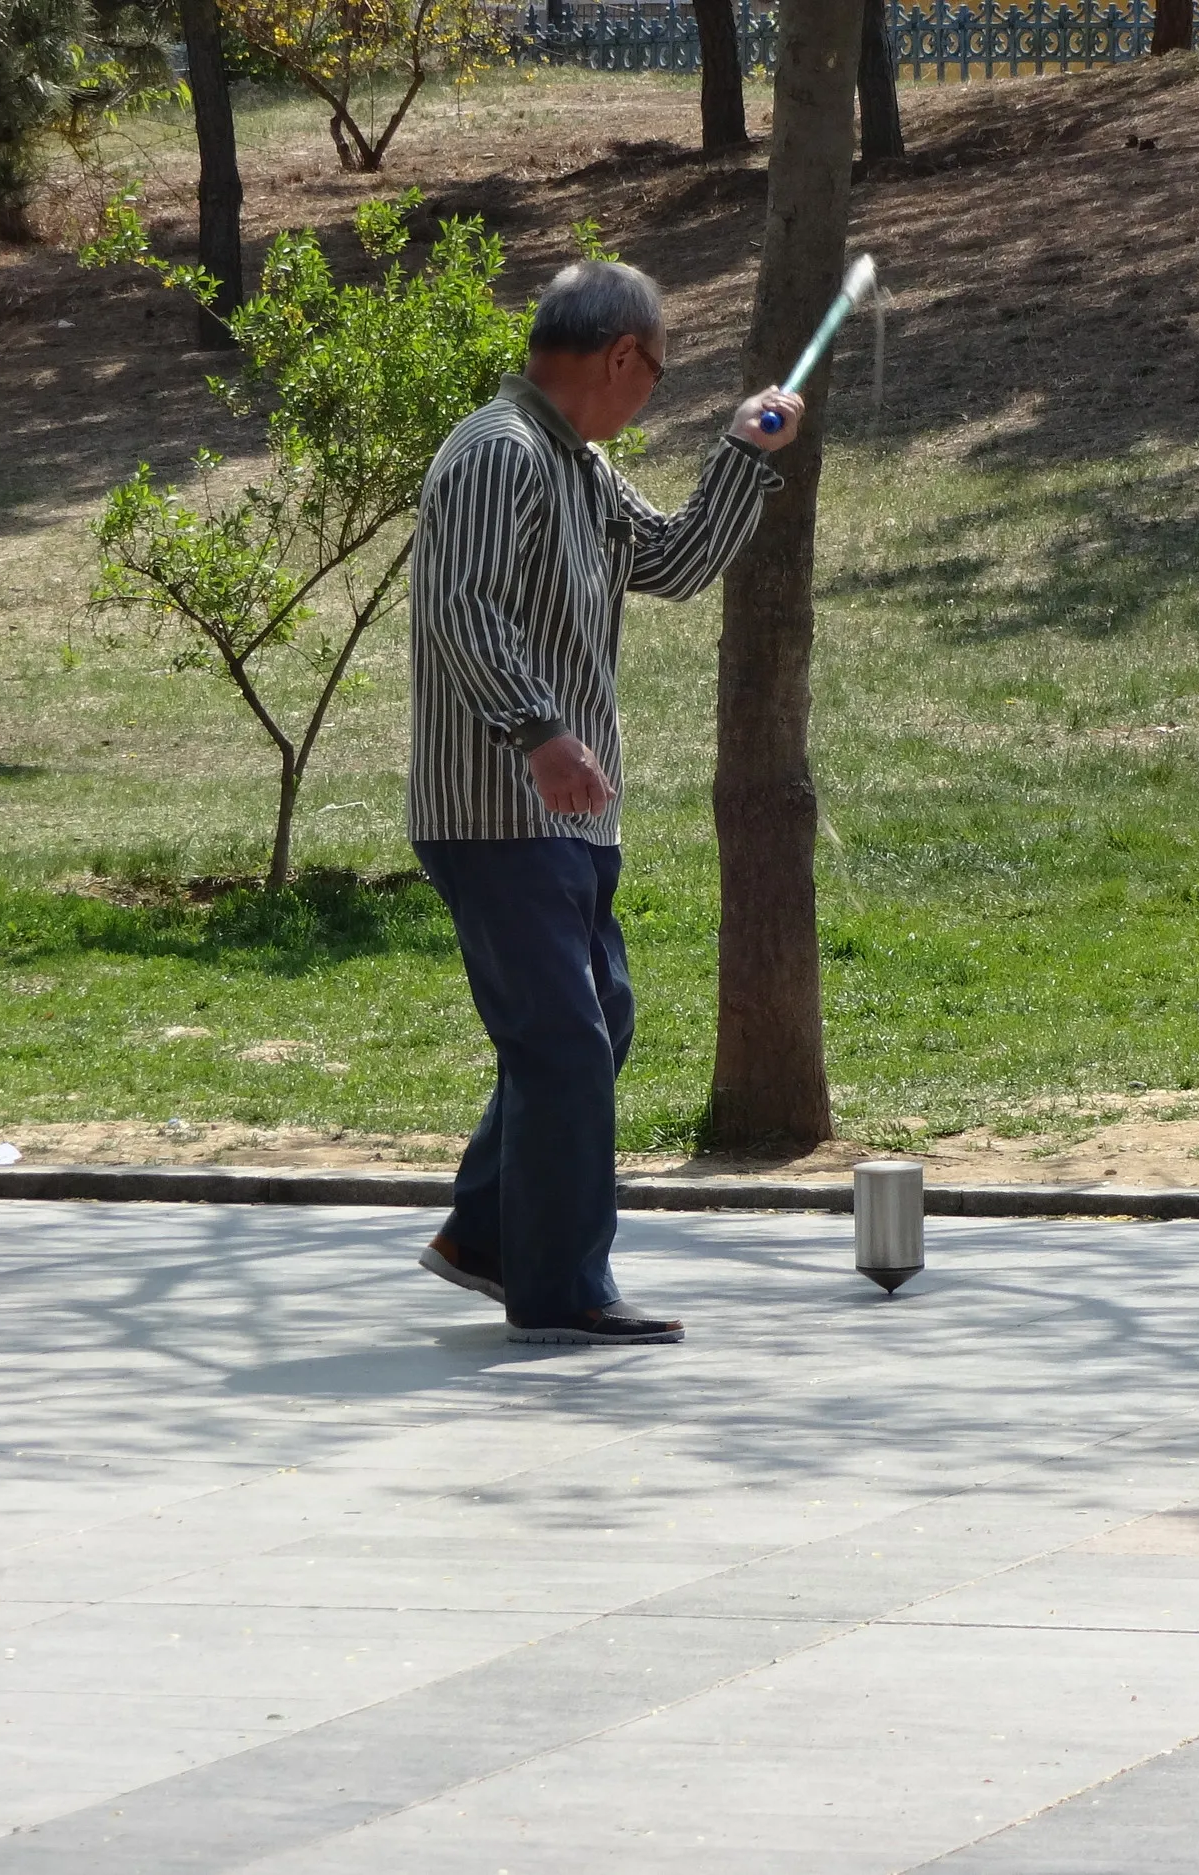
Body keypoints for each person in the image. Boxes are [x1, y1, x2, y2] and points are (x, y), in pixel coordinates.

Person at [407, 259, 804, 1346]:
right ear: (623, 356)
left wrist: (742, 454)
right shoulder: (497, 451)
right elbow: (461, 607)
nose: (650, 396)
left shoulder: (578, 466)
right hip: (496, 806)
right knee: (565, 1043)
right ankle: (561, 1289)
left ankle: (486, 1235)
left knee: (595, 1023)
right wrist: (539, 734)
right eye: (658, 375)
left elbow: (672, 562)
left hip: (566, 813)